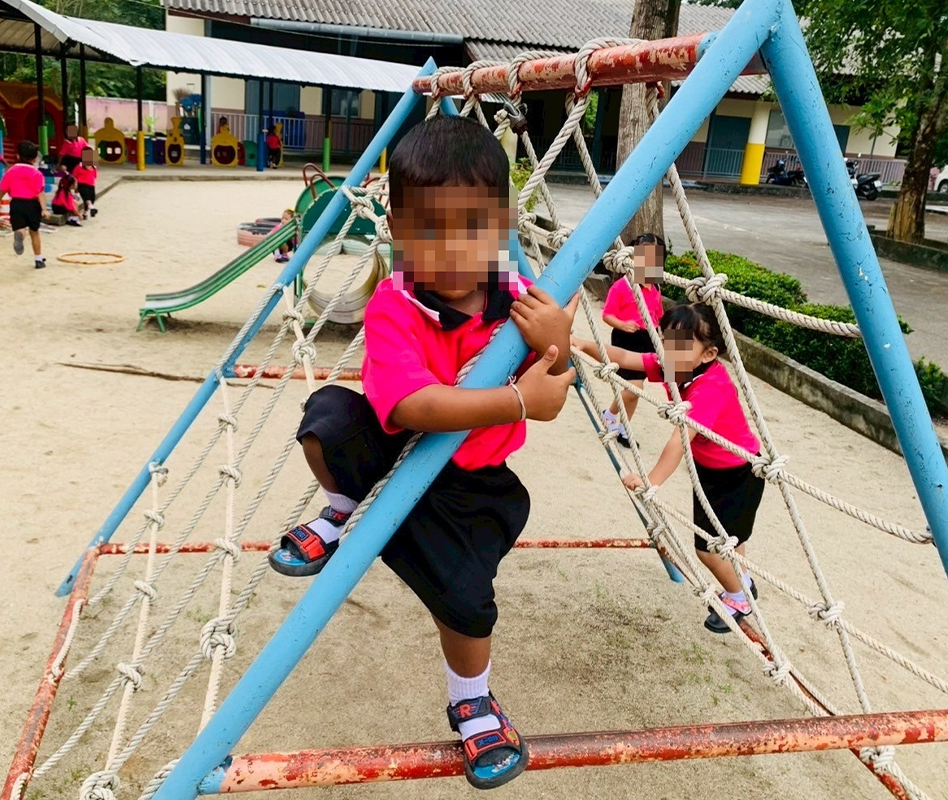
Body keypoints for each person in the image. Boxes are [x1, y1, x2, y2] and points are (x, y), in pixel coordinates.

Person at [266, 115, 578, 789]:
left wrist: (559, 337)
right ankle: (344, 511)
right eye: (429, 231)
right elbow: (414, 407)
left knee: (466, 603)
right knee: (327, 418)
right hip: (396, 452)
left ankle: (471, 700)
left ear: (502, 227)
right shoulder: (394, 303)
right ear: (397, 230)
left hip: (472, 485)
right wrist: (516, 401)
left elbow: (554, 386)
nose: (452, 250)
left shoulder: (517, 301)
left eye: (473, 228)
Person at [573, 302, 763, 634]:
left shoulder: (711, 388)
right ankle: (742, 581)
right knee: (728, 540)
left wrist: (651, 481)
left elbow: (679, 440)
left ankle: (739, 598)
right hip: (712, 469)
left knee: (709, 550)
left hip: (737, 474)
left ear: (708, 354)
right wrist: (584, 345)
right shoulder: (676, 365)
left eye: (679, 345)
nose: (666, 351)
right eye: (664, 340)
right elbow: (628, 358)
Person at [600, 233, 665, 446]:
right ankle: (620, 425)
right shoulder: (622, 286)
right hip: (626, 339)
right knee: (634, 388)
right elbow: (607, 315)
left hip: (646, 340)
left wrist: (661, 336)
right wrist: (623, 324)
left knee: (634, 390)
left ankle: (614, 419)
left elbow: (658, 315)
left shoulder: (655, 287)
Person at [0, 140, 49, 269]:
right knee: (34, 232)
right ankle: (38, 259)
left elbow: (3, 190)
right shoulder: (36, 173)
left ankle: (20, 235)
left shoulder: (11, 171)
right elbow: (40, 193)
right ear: (35, 158)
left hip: (16, 204)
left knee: (20, 227)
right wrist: (44, 209)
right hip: (32, 204)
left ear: (18, 156)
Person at [71, 149, 99, 217]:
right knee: (86, 196)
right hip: (81, 184)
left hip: (91, 185)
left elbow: (95, 176)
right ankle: (91, 207)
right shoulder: (79, 166)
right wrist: (76, 190)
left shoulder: (94, 167)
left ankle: (85, 212)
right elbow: (73, 177)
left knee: (92, 198)